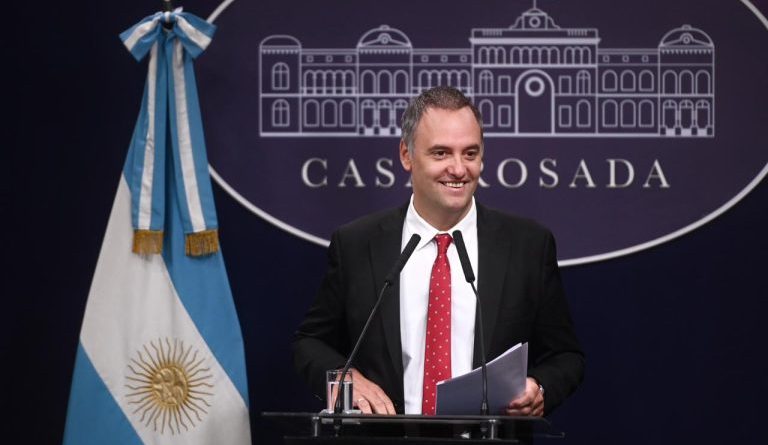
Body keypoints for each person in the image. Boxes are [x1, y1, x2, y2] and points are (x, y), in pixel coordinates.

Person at [293, 86, 584, 416]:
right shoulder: (358, 244)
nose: (459, 169)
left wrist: (539, 388)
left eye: (470, 154)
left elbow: (565, 357)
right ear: (406, 155)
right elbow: (310, 342)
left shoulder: (527, 245)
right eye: (441, 153)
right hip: (383, 436)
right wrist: (343, 378)